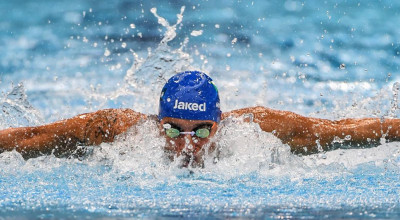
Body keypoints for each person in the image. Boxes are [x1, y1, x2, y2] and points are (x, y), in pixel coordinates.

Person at [0, 71, 399, 167]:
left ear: (220, 123)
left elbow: (341, 132)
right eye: (172, 129)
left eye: (202, 130)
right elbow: (33, 136)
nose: (186, 144)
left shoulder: (259, 130)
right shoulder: (118, 130)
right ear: (156, 122)